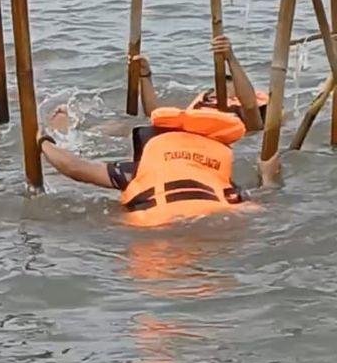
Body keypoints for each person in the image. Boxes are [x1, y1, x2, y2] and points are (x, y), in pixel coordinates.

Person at [38, 105, 280, 228]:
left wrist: (42, 141)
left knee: (110, 212)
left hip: (150, 233)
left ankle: (61, 128)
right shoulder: (217, 175)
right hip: (221, 226)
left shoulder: (137, 170)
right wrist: (268, 176)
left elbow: (73, 168)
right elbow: (264, 199)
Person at [131, 35, 267, 131]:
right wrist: (145, 75)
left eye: (229, 80)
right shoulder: (199, 108)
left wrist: (230, 57)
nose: (220, 87)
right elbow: (155, 115)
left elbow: (249, 105)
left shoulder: (246, 119)